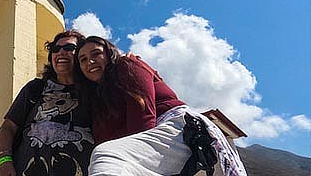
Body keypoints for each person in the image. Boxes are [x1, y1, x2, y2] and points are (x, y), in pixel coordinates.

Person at [75, 36, 247, 176]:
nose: (89, 62)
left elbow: (143, 115)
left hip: (183, 129)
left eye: (96, 54)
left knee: (108, 156)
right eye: (83, 60)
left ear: (109, 53)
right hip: (161, 146)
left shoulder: (126, 65)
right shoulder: (100, 102)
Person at [0, 30, 95, 176]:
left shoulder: (94, 91)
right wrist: (4, 162)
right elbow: (8, 128)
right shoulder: (35, 88)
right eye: (55, 49)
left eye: (68, 48)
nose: (60, 52)